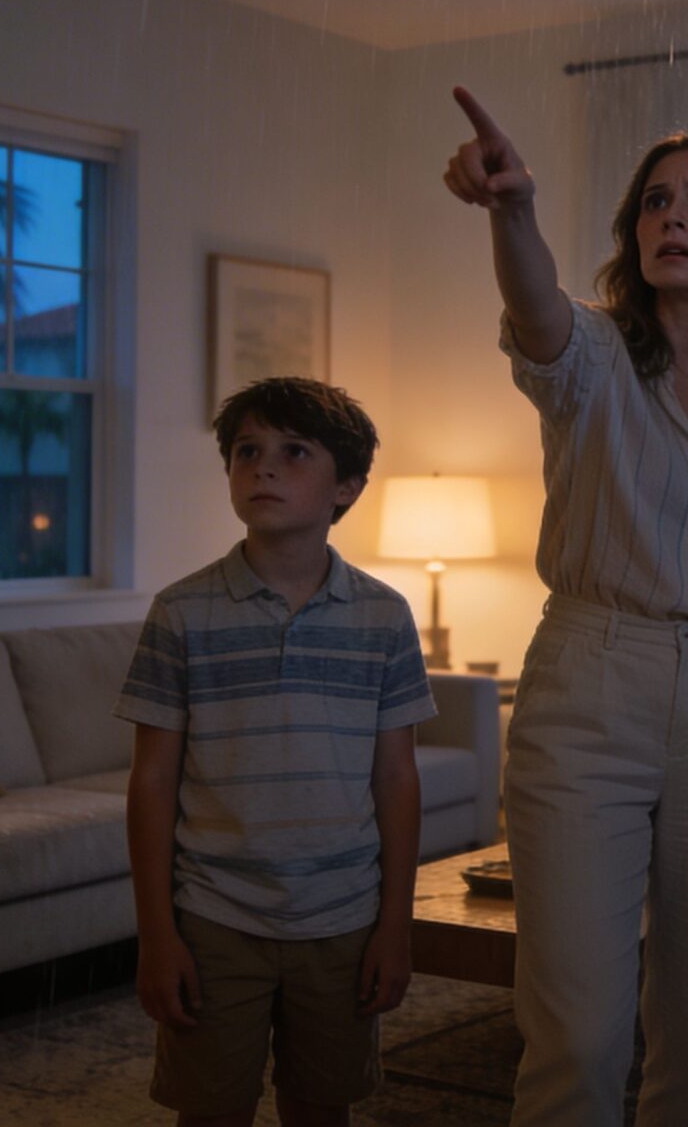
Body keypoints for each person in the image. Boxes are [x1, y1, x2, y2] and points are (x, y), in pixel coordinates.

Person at [440, 87, 688, 1127]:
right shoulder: (594, 359)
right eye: (654, 203)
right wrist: (509, 210)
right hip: (587, 685)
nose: (671, 219)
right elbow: (534, 309)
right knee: (579, 1036)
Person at [119, 377, 434, 1127]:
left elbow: (396, 777)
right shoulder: (182, 612)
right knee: (210, 1108)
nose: (263, 467)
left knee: (321, 1105)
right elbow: (152, 779)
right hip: (214, 916)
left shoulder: (384, 618)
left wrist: (396, 924)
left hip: (343, 917)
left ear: (346, 488)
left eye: (294, 453)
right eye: (246, 452)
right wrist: (157, 934)